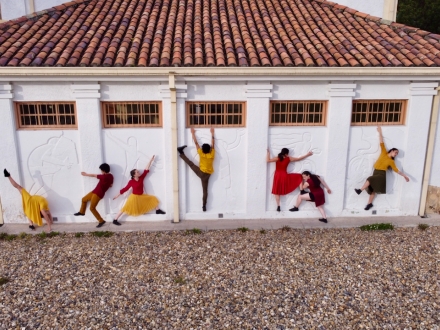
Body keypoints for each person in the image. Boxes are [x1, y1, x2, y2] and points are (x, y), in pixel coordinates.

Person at [354, 126, 410, 210]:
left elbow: (397, 170)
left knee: (370, 178)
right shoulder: (384, 152)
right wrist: (380, 132)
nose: (396, 154)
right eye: (396, 152)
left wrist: (405, 176)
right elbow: (381, 142)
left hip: (381, 175)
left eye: (397, 154)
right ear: (391, 151)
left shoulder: (391, 161)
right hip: (376, 172)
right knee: (373, 189)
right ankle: (369, 204)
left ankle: (360, 190)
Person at [113, 155, 165, 221]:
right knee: (125, 208)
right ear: (134, 175)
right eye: (137, 172)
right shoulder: (131, 181)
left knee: (152, 198)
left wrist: (151, 160)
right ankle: (115, 219)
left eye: (138, 171)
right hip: (134, 197)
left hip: (141, 196)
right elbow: (125, 189)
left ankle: (157, 210)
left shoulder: (141, 178)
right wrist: (117, 195)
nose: (139, 172)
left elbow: (146, 169)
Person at [177, 127, 215, 212]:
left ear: (203, 150)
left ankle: (181, 152)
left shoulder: (201, 153)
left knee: (191, 164)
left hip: (200, 172)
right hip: (207, 175)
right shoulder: (212, 154)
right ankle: (204, 205)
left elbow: (196, 143)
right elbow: (213, 144)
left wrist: (193, 133)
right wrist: (212, 134)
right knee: (205, 191)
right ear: (209, 150)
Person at [74, 163, 114, 228]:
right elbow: (111, 185)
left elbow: (94, 175)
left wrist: (86, 174)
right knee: (84, 199)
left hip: (98, 194)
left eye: (101, 170)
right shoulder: (111, 176)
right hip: (94, 191)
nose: (101, 172)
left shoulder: (103, 176)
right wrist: (106, 185)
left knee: (92, 208)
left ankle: (101, 221)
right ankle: (82, 212)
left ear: (103, 170)